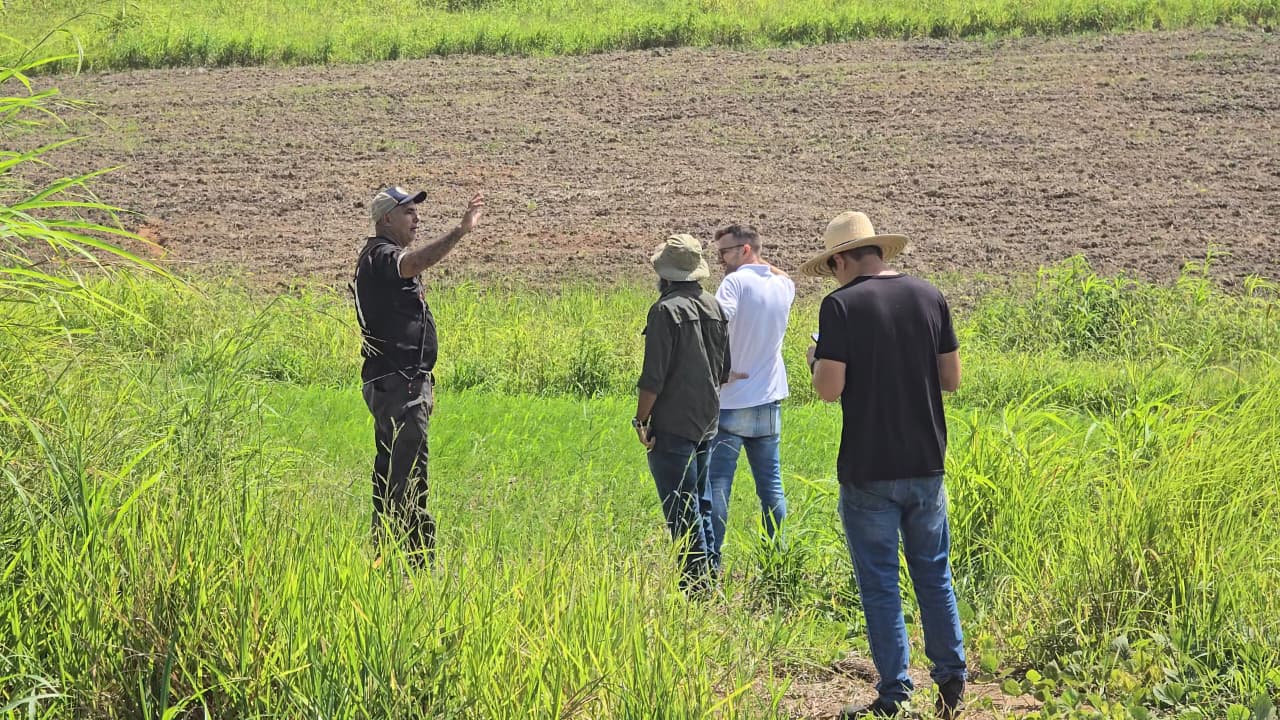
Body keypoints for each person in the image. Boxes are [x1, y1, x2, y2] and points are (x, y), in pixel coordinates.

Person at [801, 211, 967, 719]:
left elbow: (830, 390)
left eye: (833, 266)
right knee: (933, 574)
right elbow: (951, 379)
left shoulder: (841, 306)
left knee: (879, 582)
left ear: (842, 258)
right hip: (925, 461)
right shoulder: (929, 295)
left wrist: (814, 360)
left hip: (869, 466)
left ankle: (895, 693)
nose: (834, 275)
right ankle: (952, 678)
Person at [351, 185, 484, 566]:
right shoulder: (380, 255)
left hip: (401, 382)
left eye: (415, 210)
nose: (416, 217)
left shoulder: (378, 257)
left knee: (391, 471)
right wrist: (460, 232)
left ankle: (381, 557)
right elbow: (410, 265)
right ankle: (416, 566)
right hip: (399, 384)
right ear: (386, 218)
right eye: (407, 211)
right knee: (409, 477)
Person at [634, 234, 731, 593]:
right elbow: (724, 370)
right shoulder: (715, 306)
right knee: (701, 504)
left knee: (681, 510)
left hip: (672, 424)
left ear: (665, 275)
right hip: (708, 421)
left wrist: (641, 421)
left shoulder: (664, 311)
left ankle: (695, 591)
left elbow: (652, 379)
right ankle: (709, 579)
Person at [707, 224, 795, 567]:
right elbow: (782, 274)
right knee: (771, 488)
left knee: (717, 487)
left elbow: (715, 320)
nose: (720, 261)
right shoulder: (783, 286)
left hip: (731, 401)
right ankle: (776, 559)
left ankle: (710, 563)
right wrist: (762, 263)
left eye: (724, 252)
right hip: (769, 401)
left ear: (745, 250)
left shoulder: (734, 283)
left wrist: (718, 370)